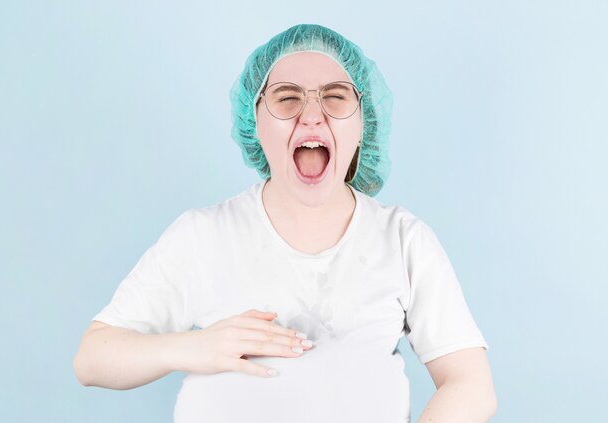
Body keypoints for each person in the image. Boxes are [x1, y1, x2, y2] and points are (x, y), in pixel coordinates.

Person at [73, 24, 497, 422]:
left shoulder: (404, 240)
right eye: (287, 97)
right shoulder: (202, 235)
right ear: (254, 121)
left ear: (363, 121)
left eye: (335, 97)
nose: (312, 116)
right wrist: (191, 347)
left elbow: (470, 382)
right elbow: (93, 359)